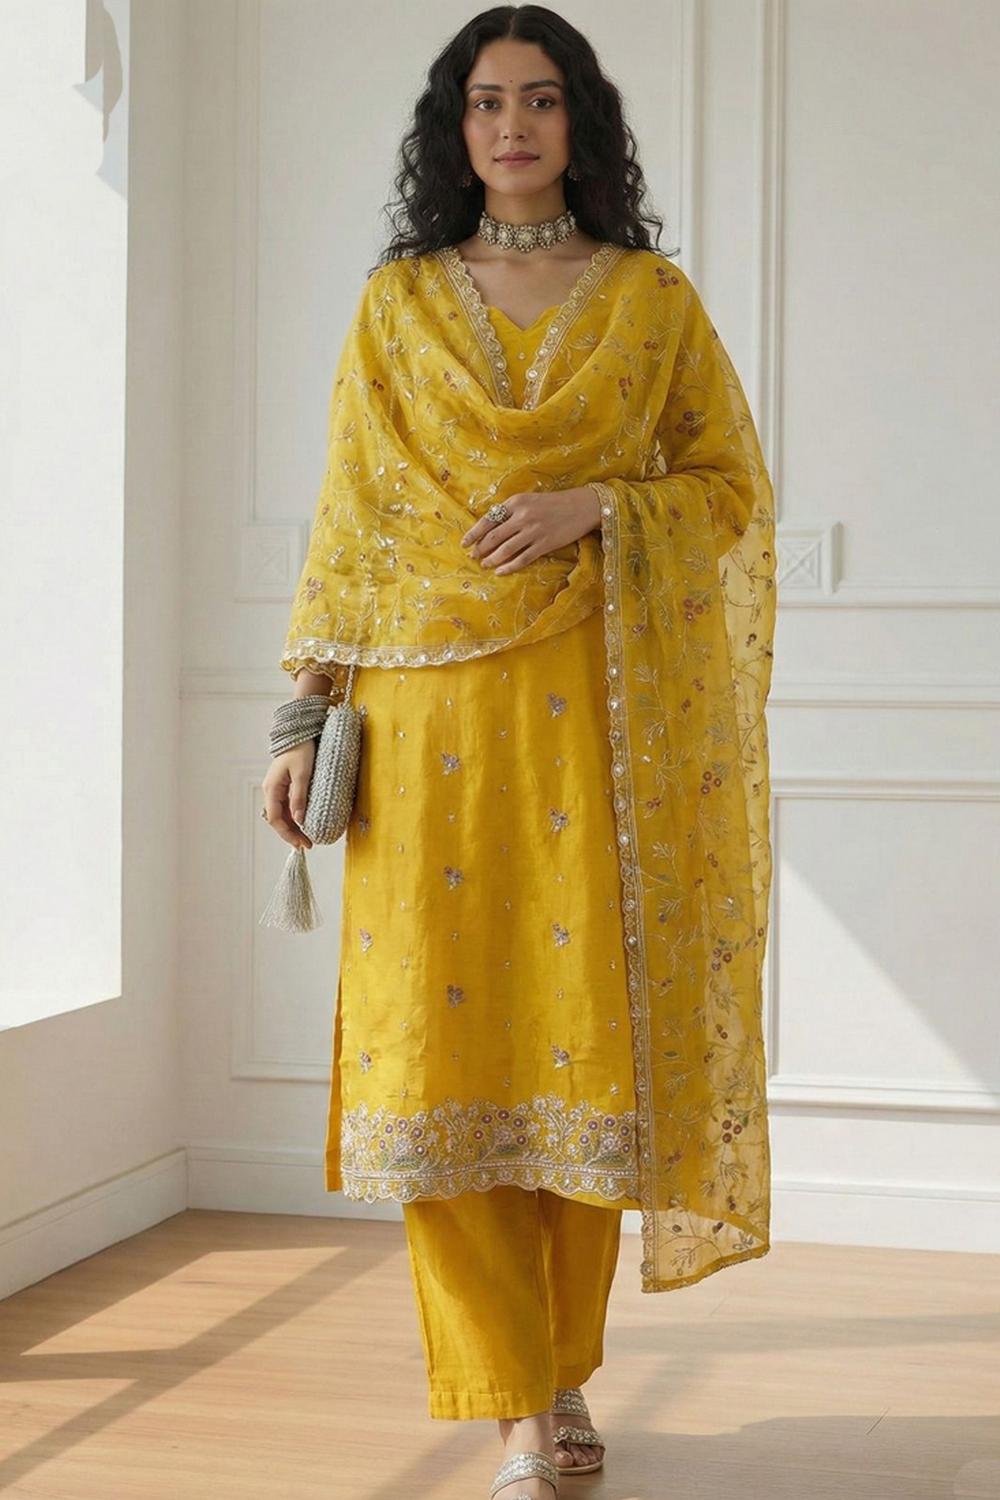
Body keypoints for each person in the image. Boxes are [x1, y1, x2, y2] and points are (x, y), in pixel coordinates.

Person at [261, 7, 777, 1497]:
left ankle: (558, 1373)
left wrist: (600, 504)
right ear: (455, 127)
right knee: (441, 1067)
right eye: (486, 102)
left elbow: (728, 485)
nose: (512, 127)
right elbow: (352, 523)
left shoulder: (652, 301)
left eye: (540, 100)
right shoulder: (399, 304)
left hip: (596, 719)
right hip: (422, 725)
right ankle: (510, 1414)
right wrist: (302, 723)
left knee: (579, 1059)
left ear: (579, 122)